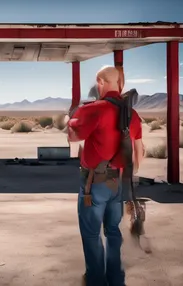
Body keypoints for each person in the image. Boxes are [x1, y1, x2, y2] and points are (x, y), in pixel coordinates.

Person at [67, 66, 145, 286]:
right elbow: (139, 152)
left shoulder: (93, 109)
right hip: (117, 184)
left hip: (94, 185)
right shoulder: (133, 114)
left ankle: (96, 281)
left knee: (91, 235)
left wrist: (69, 119)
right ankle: (116, 279)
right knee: (112, 231)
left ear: (100, 82)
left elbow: (73, 137)